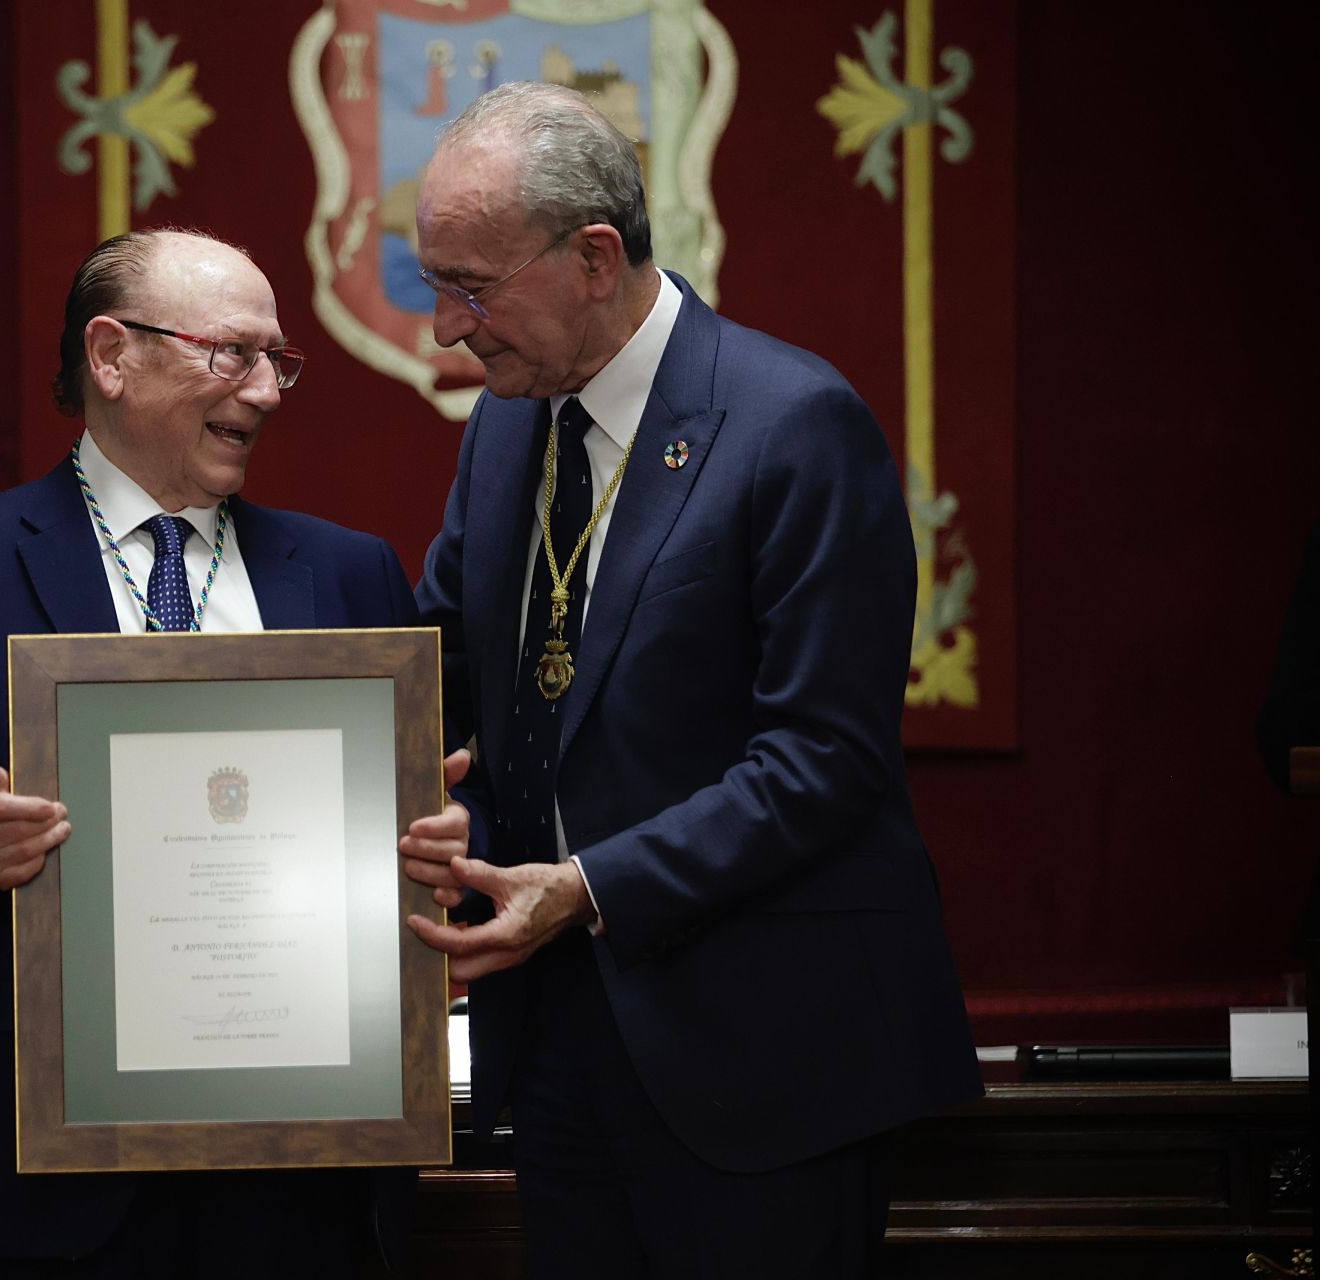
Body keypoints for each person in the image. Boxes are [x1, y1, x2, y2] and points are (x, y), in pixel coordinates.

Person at [396, 82, 983, 1276]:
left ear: (594, 256)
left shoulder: (795, 424)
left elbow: (825, 759)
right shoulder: (506, 429)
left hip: (765, 1052)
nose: (447, 329)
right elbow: (449, 670)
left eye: (472, 287)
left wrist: (585, 885)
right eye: (435, 286)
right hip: (558, 1041)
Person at [0, 229, 423, 1275]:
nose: (269, 390)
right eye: (233, 353)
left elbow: (447, 811)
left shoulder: (348, 572)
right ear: (111, 354)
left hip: (307, 1174)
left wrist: (436, 833)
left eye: (279, 359)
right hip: (60, 1178)